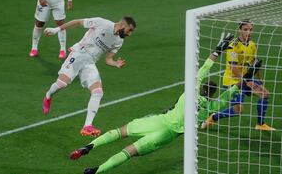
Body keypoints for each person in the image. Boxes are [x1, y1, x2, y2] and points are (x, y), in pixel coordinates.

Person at [68, 33, 260, 174]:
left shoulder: (190, 91)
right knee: (128, 152)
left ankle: (88, 147)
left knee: (119, 132)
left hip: (159, 120)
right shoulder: (211, 107)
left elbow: (203, 69)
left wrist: (217, 50)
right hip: (167, 134)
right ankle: (95, 171)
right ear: (212, 94)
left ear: (201, 89)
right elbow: (230, 94)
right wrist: (246, 80)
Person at [42, 16, 136, 137]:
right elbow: (77, 22)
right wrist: (56, 29)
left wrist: (116, 64)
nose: (130, 34)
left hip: (90, 63)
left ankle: (87, 126)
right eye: (130, 30)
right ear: (123, 25)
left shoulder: (119, 41)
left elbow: (108, 59)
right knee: (62, 84)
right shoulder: (102, 23)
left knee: (98, 92)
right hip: (78, 54)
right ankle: (48, 95)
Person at [202, 20, 275, 131]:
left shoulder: (252, 45)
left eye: (250, 30)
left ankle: (260, 124)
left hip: (246, 79)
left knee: (264, 94)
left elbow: (255, 63)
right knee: (238, 110)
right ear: (239, 30)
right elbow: (234, 69)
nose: (248, 32)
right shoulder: (233, 46)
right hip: (232, 81)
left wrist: (260, 79)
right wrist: (247, 81)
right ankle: (213, 117)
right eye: (245, 29)